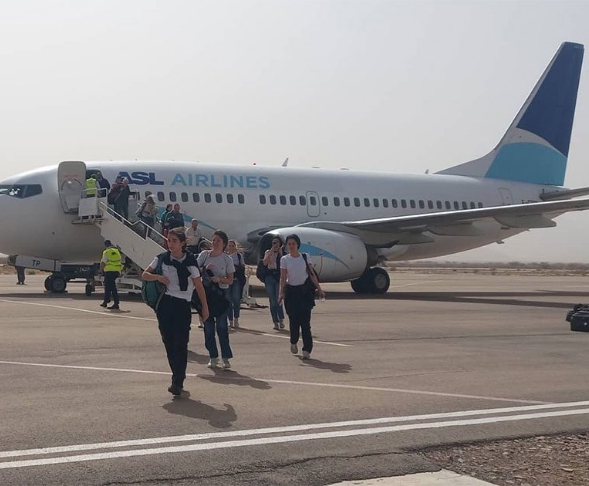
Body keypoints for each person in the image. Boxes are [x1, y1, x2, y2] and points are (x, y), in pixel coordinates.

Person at [142, 228, 209, 397]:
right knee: (168, 341)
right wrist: (157, 277)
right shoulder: (162, 258)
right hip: (165, 303)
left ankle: (178, 381)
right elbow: (145, 274)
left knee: (181, 342)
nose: (170, 244)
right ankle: (176, 375)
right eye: (169, 240)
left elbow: (199, 286)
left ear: (182, 243)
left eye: (174, 241)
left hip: (182, 305)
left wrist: (204, 307)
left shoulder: (190, 262)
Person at [279, 234, 325, 360]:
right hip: (291, 293)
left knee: (305, 323)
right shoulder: (284, 259)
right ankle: (293, 341)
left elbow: (311, 274)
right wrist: (281, 293)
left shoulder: (305, 256)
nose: (291, 246)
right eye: (289, 244)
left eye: (293, 243)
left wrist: (319, 288)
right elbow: (283, 277)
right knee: (294, 321)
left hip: (304, 293)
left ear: (297, 244)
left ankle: (307, 349)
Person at [197, 230, 235, 369]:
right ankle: (213, 356)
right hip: (206, 294)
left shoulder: (227, 259)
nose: (215, 242)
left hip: (221, 294)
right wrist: (204, 269)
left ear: (224, 243)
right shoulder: (204, 255)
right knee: (208, 328)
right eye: (214, 240)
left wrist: (220, 279)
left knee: (222, 326)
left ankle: (225, 357)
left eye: (218, 240)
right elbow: (194, 270)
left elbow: (230, 280)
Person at [263, 236, 285, 330]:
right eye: (273, 243)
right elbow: (264, 263)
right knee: (272, 301)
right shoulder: (268, 252)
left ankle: (281, 319)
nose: (275, 245)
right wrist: (271, 252)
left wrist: (280, 253)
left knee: (278, 299)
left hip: (278, 276)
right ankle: (275, 321)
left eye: (276, 243)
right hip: (270, 276)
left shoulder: (282, 254)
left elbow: (284, 265)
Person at [226, 239, 246, 329]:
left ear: (235, 247)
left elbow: (243, 266)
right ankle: (230, 320)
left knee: (236, 299)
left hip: (236, 279)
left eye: (232, 246)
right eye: (229, 246)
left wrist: (236, 267)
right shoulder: (225, 256)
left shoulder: (239, 256)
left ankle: (236, 318)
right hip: (227, 280)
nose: (231, 247)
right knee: (228, 300)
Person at [100, 240, 123, 310]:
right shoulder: (117, 251)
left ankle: (114, 303)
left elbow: (103, 263)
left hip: (109, 271)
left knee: (109, 287)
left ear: (105, 245)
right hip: (116, 271)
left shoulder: (106, 252)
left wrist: (101, 271)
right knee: (110, 287)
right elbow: (120, 261)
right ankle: (106, 301)